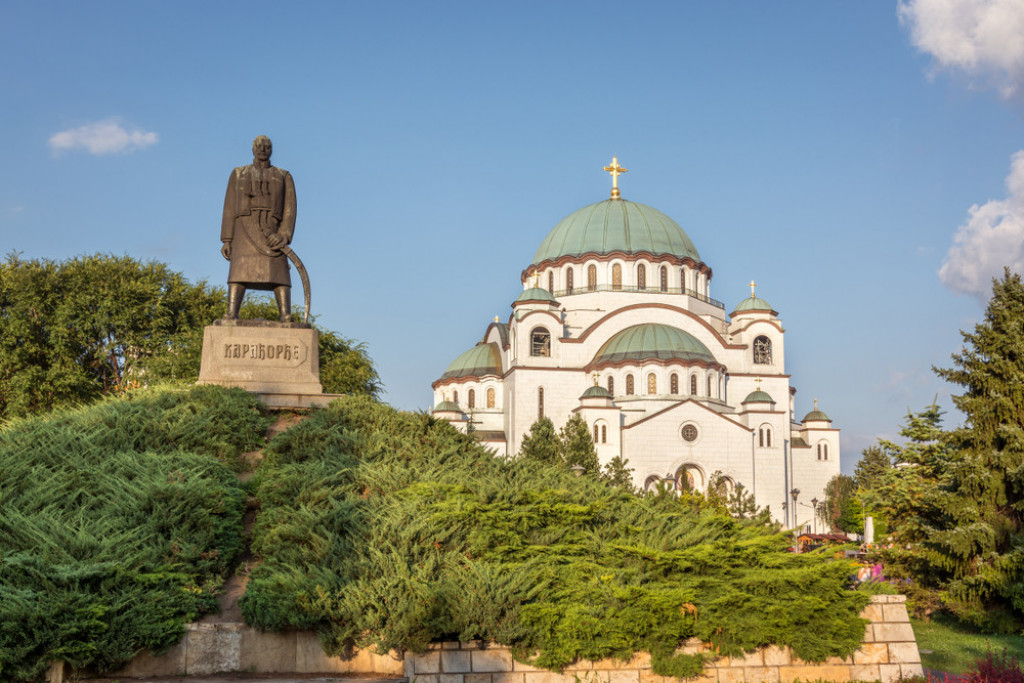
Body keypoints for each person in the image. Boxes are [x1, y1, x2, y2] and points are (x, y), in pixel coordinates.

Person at [220, 135, 296, 322]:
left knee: (280, 275)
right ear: (252, 149)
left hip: (272, 231)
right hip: (244, 229)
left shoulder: (283, 175)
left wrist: (284, 235)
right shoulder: (238, 173)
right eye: (259, 146)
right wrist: (227, 240)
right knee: (238, 273)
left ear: (272, 150)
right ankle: (232, 314)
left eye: (267, 146)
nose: (263, 149)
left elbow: (290, 210)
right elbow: (229, 207)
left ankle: (285, 315)